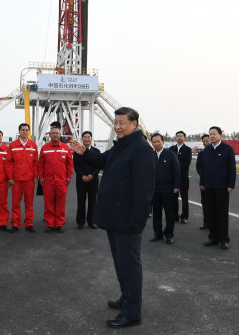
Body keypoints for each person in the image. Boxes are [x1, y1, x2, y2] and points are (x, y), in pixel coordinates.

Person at [69, 107, 155, 328]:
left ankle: (132, 313)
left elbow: (144, 190)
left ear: (134, 123)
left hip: (127, 221)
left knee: (129, 266)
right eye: (115, 122)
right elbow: (101, 161)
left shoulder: (140, 148)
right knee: (120, 264)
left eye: (121, 122)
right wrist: (84, 152)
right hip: (115, 218)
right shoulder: (122, 145)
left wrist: (137, 221)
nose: (117, 126)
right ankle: (127, 299)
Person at [196, 126, 236, 250]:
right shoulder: (206, 150)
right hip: (208, 186)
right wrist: (202, 182)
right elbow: (203, 169)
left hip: (222, 187)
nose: (211, 136)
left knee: (222, 214)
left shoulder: (227, 149)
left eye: (214, 134)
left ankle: (224, 239)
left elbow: (231, 169)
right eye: (210, 134)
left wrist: (230, 185)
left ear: (220, 135)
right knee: (211, 213)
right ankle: (213, 237)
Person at [38, 125, 73, 233]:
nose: (55, 135)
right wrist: (41, 177)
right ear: (49, 135)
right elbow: (41, 165)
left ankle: (59, 223)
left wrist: (68, 176)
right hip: (48, 181)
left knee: (60, 203)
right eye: (53, 133)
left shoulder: (66, 148)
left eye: (57, 133)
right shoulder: (44, 148)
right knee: (48, 203)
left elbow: (70, 164)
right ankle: (50, 223)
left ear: (60, 135)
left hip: (61, 181)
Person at [7, 123, 39, 233]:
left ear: (29, 132)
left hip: (29, 179)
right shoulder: (13, 145)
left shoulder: (33, 145)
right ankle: (15, 224)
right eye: (23, 130)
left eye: (26, 130)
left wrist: (35, 177)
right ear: (19, 131)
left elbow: (36, 163)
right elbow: (9, 162)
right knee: (16, 203)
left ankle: (29, 223)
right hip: (16, 180)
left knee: (29, 203)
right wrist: (10, 177)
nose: (25, 132)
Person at [150, 133, 181, 244]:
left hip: (168, 190)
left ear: (163, 142)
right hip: (155, 190)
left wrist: (177, 186)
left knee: (169, 214)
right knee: (156, 214)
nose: (157, 143)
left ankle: (169, 235)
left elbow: (177, 172)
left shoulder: (170, 155)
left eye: (159, 141)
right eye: (154, 142)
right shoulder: (150, 155)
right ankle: (157, 234)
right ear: (152, 143)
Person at [73, 131, 100, 229]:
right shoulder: (77, 152)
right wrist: (82, 175)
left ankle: (92, 222)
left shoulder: (96, 151)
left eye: (88, 137)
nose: (86, 139)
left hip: (93, 180)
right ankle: (80, 222)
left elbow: (98, 165)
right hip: (81, 180)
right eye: (84, 137)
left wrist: (92, 175)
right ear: (82, 139)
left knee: (92, 202)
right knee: (81, 201)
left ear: (91, 139)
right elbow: (75, 165)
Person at [170, 131, 192, 223]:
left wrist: (176, 168)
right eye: (178, 136)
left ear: (184, 138)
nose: (179, 137)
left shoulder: (188, 149)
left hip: (183, 177)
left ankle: (184, 216)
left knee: (184, 198)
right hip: (173, 178)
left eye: (181, 136)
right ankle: (175, 215)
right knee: (173, 198)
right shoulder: (171, 149)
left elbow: (187, 163)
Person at [199, 134, 211, 230]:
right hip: (204, 182)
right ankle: (206, 222)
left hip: (215, 184)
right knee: (205, 203)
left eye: (207, 141)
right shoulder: (201, 154)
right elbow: (199, 168)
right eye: (204, 142)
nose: (206, 143)